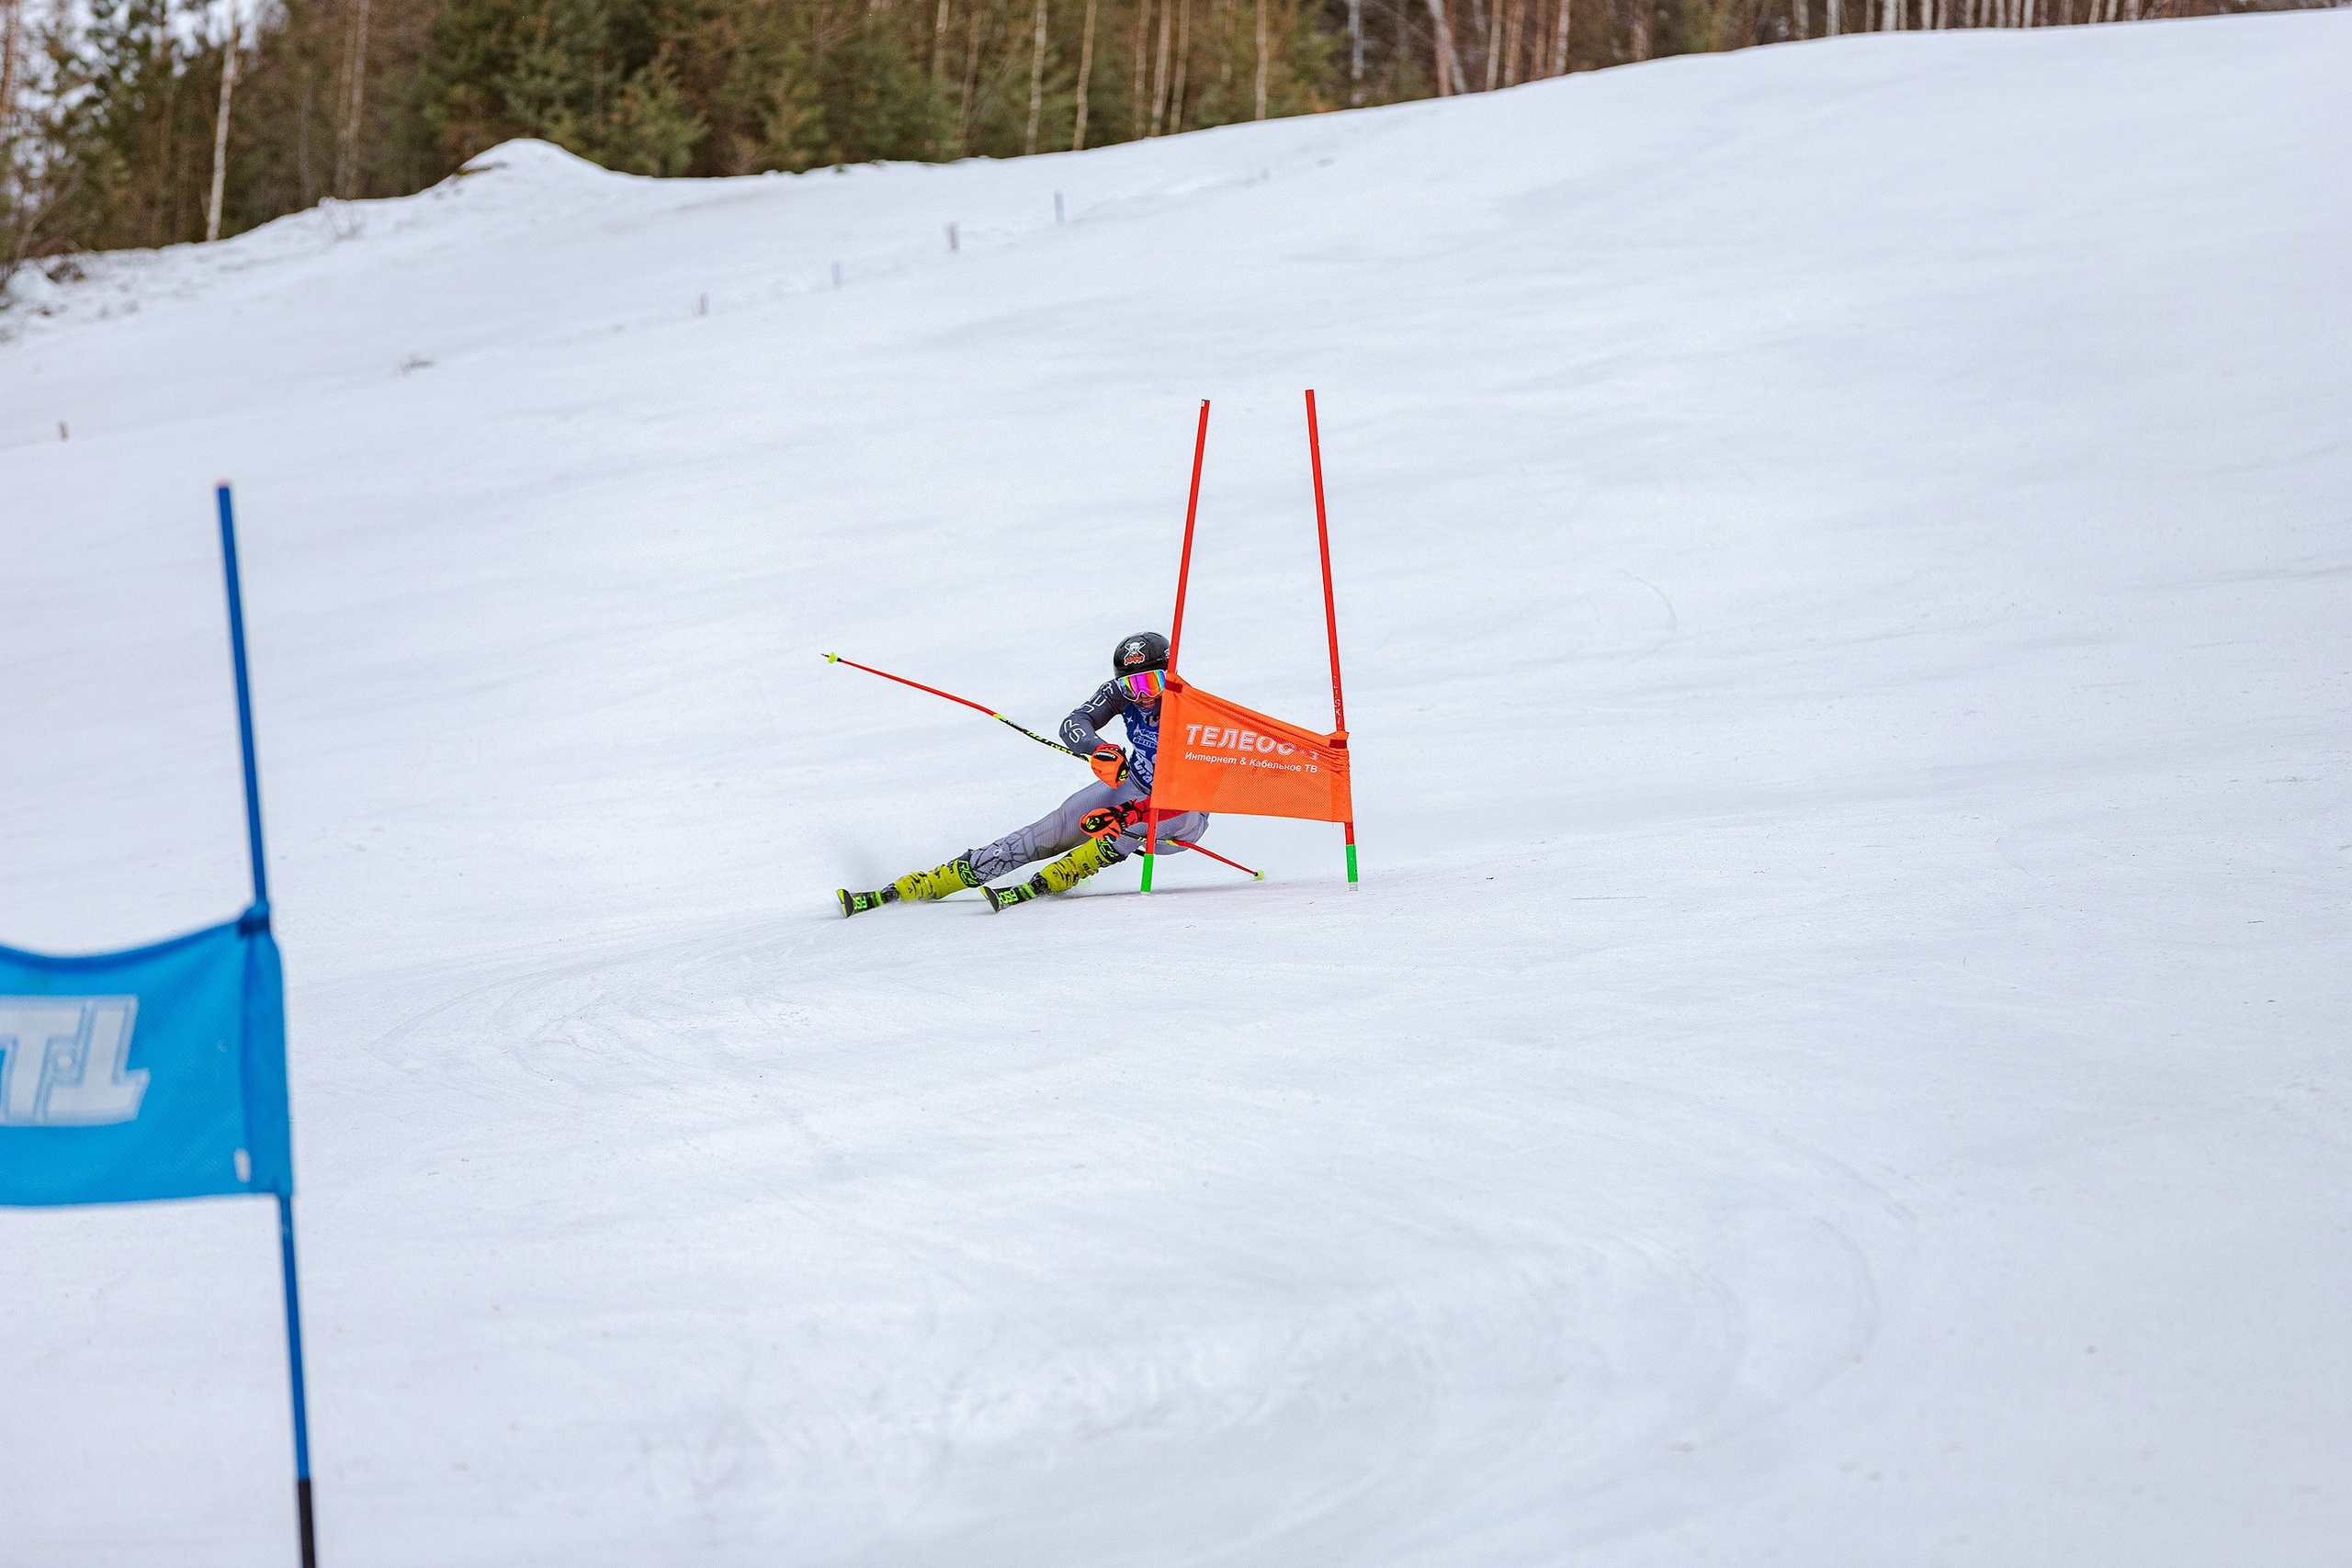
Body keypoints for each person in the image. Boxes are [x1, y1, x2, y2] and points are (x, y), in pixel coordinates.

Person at [837, 633, 1211, 915]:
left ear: (1170, 674)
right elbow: (1074, 723)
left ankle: (1063, 873)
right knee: (1053, 827)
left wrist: (1129, 813)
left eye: (1151, 683)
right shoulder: (1120, 694)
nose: (1142, 695)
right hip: (1135, 786)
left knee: (1129, 823)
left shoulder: (1193, 711)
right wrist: (1098, 749)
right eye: (1131, 685)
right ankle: (929, 883)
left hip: (1182, 813)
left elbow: (1196, 793)